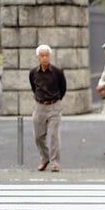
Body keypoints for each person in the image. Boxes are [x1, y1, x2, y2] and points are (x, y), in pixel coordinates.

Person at [28, 44, 66, 172]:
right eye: (42, 55)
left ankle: (55, 163)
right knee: (38, 136)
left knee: (54, 136)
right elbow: (33, 87)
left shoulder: (57, 72)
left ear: (50, 56)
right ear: (38, 57)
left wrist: (56, 99)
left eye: (47, 55)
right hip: (39, 106)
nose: (45, 58)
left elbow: (63, 88)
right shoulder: (33, 72)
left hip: (54, 106)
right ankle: (45, 158)